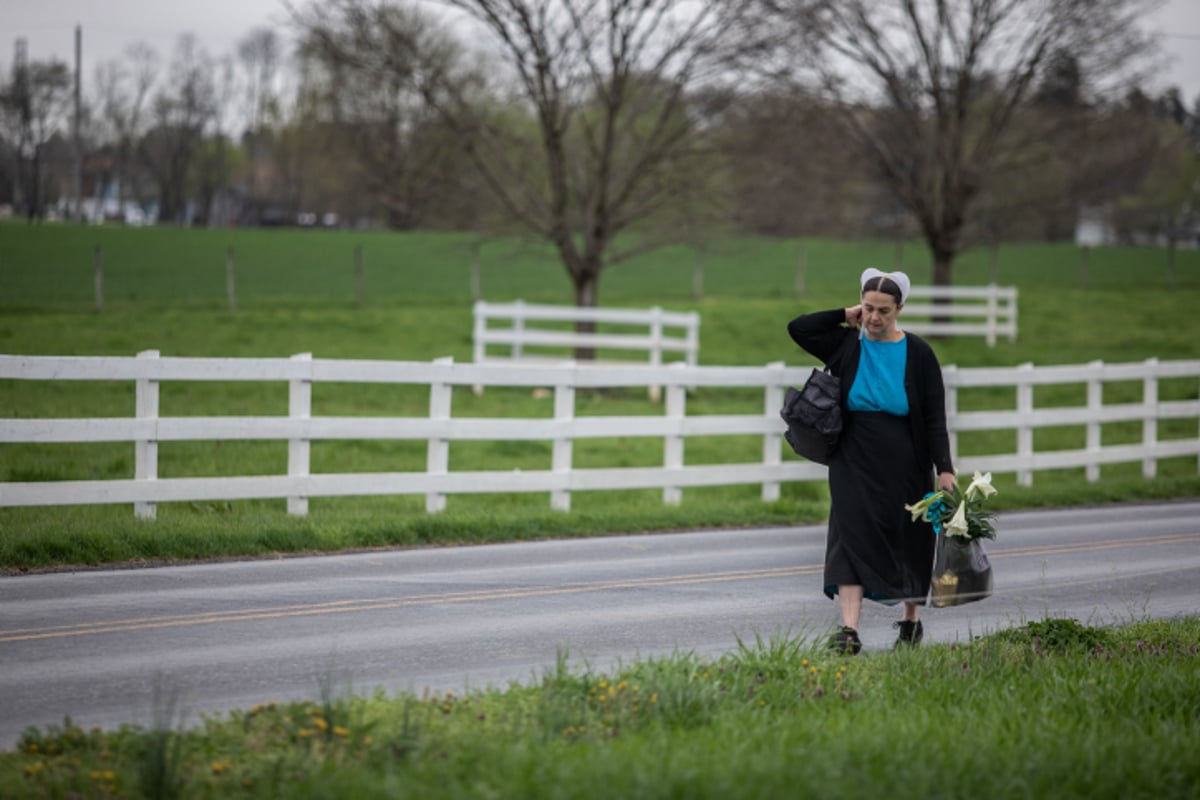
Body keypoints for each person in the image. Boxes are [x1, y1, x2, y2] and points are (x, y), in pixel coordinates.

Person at [787, 268, 955, 654]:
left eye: (884, 310)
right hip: (853, 452)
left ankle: (911, 623)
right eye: (869, 308)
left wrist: (944, 468)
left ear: (900, 308)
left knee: (909, 534)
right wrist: (843, 314)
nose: (875, 317)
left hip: (906, 456)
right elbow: (799, 328)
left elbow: (934, 416)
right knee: (848, 533)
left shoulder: (919, 353)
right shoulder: (846, 345)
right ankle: (849, 631)